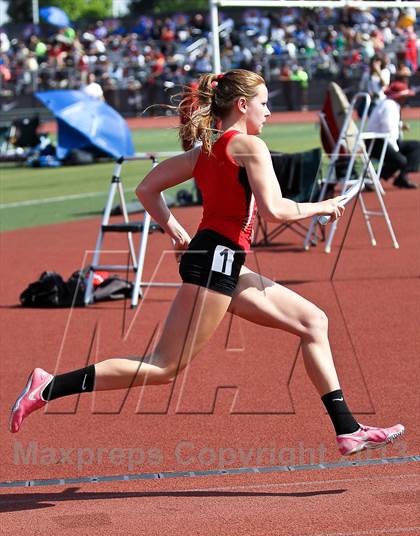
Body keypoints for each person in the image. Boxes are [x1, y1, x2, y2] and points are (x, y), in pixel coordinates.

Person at [9, 70, 404, 457]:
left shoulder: (206, 150)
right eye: (264, 105)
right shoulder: (249, 146)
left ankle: (348, 430)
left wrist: (176, 230)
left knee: (313, 322)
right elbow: (275, 208)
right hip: (217, 259)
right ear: (242, 104)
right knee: (163, 367)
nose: (268, 113)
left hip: (217, 257)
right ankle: (49, 387)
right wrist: (324, 206)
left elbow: (146, 188)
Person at [366, 81, 420, 189]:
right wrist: (396, 151)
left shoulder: (390, 104)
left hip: (383, 140)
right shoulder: (389, 106)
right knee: (400, 160)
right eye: (404, 96)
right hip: (377, 142)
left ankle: (402, 178)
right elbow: (387, 129)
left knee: (416, 146)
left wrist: (400, 126)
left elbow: (389, 124)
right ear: (399, 96)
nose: (406, 99)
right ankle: (372, 179)